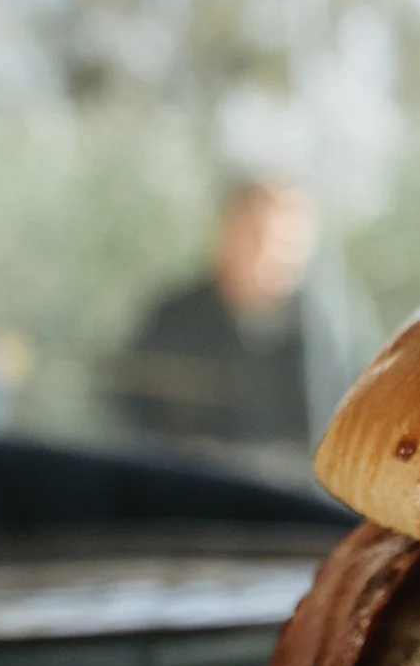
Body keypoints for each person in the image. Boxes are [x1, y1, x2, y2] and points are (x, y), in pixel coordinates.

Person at [108, 179, 356, 459]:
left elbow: (338, 429)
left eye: (288, 243)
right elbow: (128, 402)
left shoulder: (321, 335)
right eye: (258, 236)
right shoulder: (174, 318)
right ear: (227, 234)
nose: (274, 254)